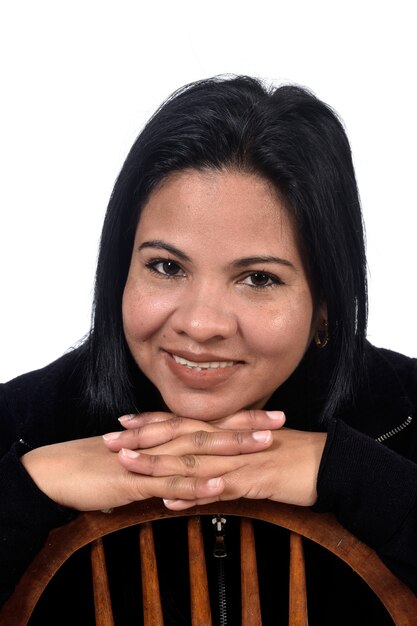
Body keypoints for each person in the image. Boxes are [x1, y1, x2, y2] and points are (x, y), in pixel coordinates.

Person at [0, 75, 416, 625]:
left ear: (325, 303)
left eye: (259, 279)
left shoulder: (406, 413)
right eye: (166, 267)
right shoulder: (20, 422)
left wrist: (352, 473)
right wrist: (27, 488)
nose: (201, 323)